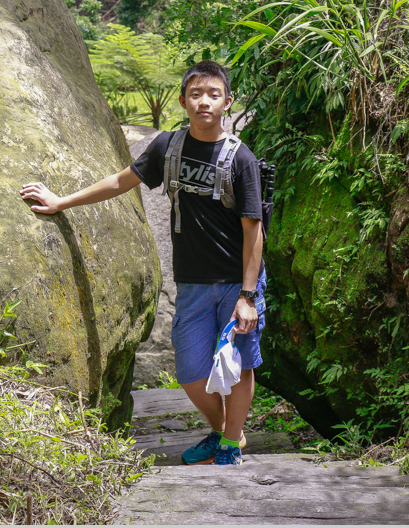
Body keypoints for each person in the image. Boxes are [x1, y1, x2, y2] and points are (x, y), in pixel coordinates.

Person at [19, 60, 265, 466]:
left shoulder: (241, 160)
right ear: (184, 100)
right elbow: (121, 181)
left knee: (238, 364)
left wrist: (248, 295)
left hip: (237, 281)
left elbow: (254, 229)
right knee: (190, 370)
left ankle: (229, 444)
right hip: (192, 281)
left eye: (214, 94)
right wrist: (62, 201)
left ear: (227, 102)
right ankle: (225, 433)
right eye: (196, 94)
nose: (204, 102)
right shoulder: (167, 147)